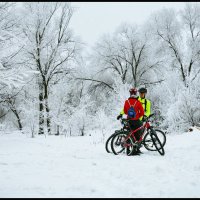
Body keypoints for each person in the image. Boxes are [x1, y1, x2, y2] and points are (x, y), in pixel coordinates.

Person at [117, 88, 144, 155]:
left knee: (129, 135)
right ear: (135, 94)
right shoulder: (138, 102)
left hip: (129, 120)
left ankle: (128, 150)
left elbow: (125, 111)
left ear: (130, 94)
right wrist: (137, 116)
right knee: (138, 134)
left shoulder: (127, 102)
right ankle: (136, 150)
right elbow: (142, 113)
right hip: (136, 121)